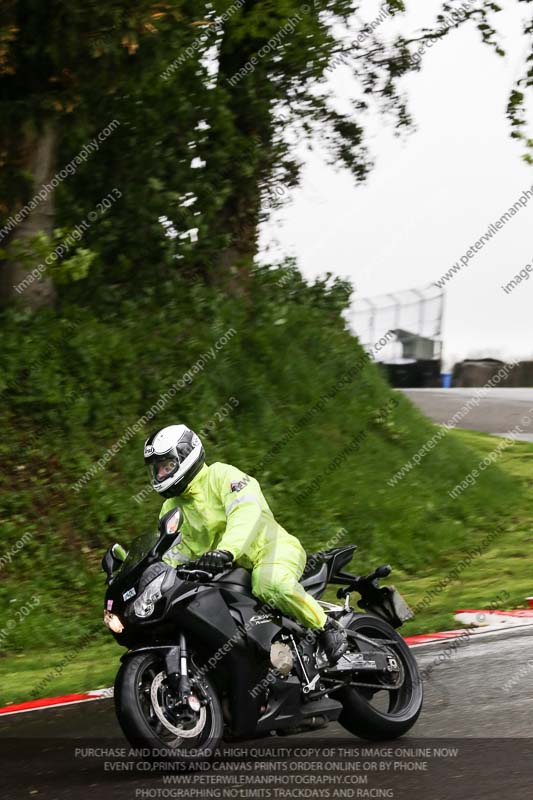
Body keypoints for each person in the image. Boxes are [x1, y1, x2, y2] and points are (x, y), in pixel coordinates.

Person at [144, 424, 348, 663]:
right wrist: (154, 577)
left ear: (186, 454)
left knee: (268, 583)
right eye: (157, 469)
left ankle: (328, 626)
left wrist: (227, 551)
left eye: (166, 465)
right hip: (227, 573)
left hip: (271, 550)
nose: (160, 474)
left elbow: (245, 512)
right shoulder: (171, 508)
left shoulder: (223, 476)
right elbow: (174, 549)